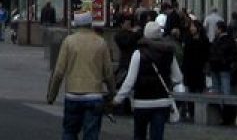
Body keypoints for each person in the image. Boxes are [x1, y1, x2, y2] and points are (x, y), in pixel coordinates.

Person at [46, 10, 116, 140]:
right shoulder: (101, 42)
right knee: (91, 134)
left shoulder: (69, 42)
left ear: (76, 24)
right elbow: (108, 73)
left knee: (69, 132)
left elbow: (58, 72)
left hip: (73, 94)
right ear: (91, 24)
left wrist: (52, 95)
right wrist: (112, 92)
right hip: (94, 95)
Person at [114, 19, 184, 140]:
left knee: (139, 135)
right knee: (157, 136)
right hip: (162, 101)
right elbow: (178, 78)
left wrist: (117, 99)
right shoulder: (168, 53)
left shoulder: (138, 53)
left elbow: (129, 81)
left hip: (141, 101)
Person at [179, 18, 209, 122]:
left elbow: (206, 54)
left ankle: (199, 112)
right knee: (190, 90)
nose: (191, 28)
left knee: (199, 89)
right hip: (189, 68)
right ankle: (191, 112)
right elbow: (186, 55)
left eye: (193, 26)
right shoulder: (188, 39)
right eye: (191, 26)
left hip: (199, 68)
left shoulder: (204, 40)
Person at [207, 21, 237, 95]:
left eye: (216, 28)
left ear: (220, 29)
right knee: (224, 87)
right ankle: (224, 104)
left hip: (220, 65)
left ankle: (222, 104)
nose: (214, 30)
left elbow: (215, 51)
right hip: (222, 66)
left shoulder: (219, 40)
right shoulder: (229, 39)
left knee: (220, 87)